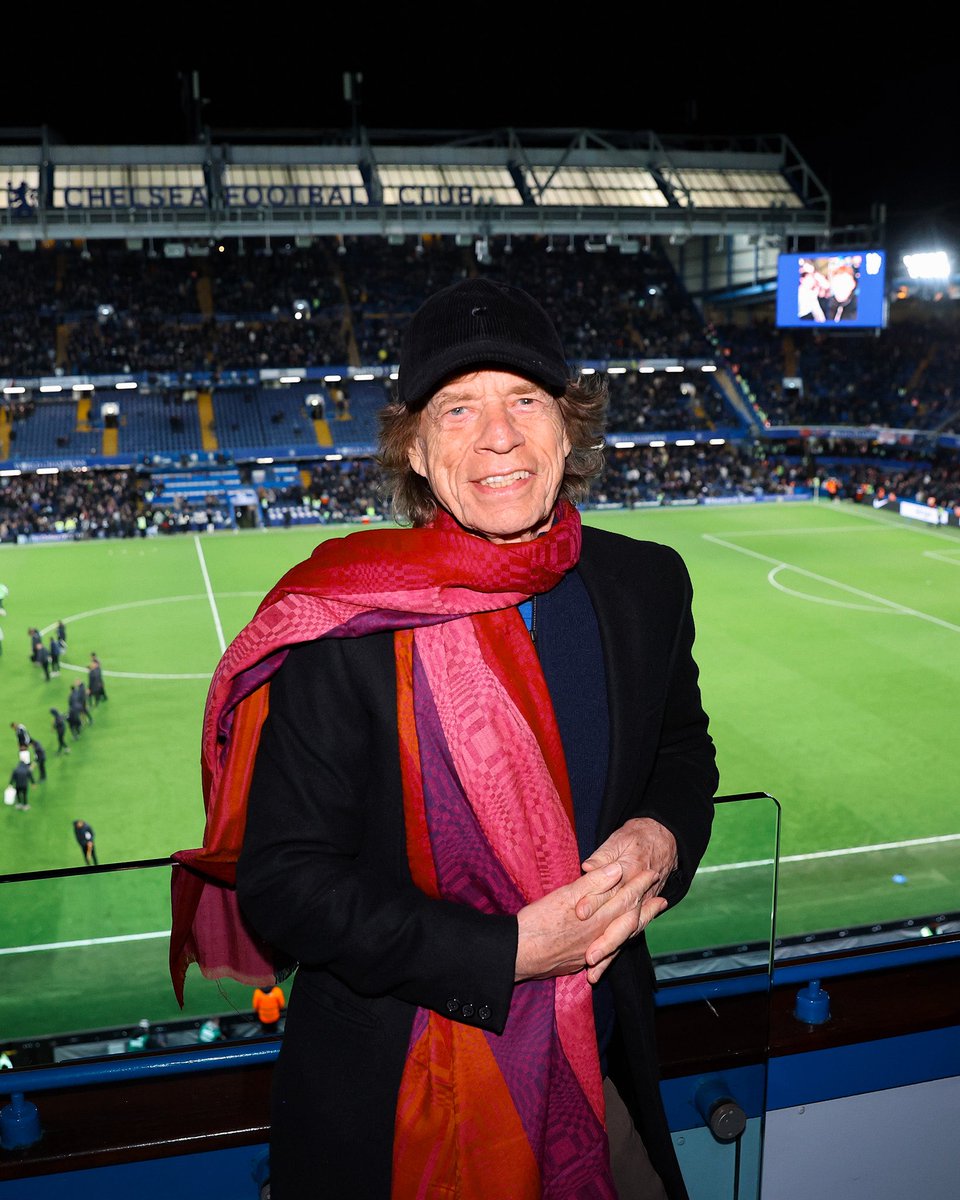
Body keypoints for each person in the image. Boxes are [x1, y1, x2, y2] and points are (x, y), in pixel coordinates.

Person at [170, 277, 718, 1200]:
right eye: (458, 408)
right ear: (417, 451)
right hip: (393, 1094)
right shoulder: (346, 619)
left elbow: (682, 753)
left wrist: (661, 835)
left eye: (526, 400)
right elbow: (286, 883)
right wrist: (506, 954)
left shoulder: (647, 585)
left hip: (598, 1064)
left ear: (569, 428)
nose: (499, 435)